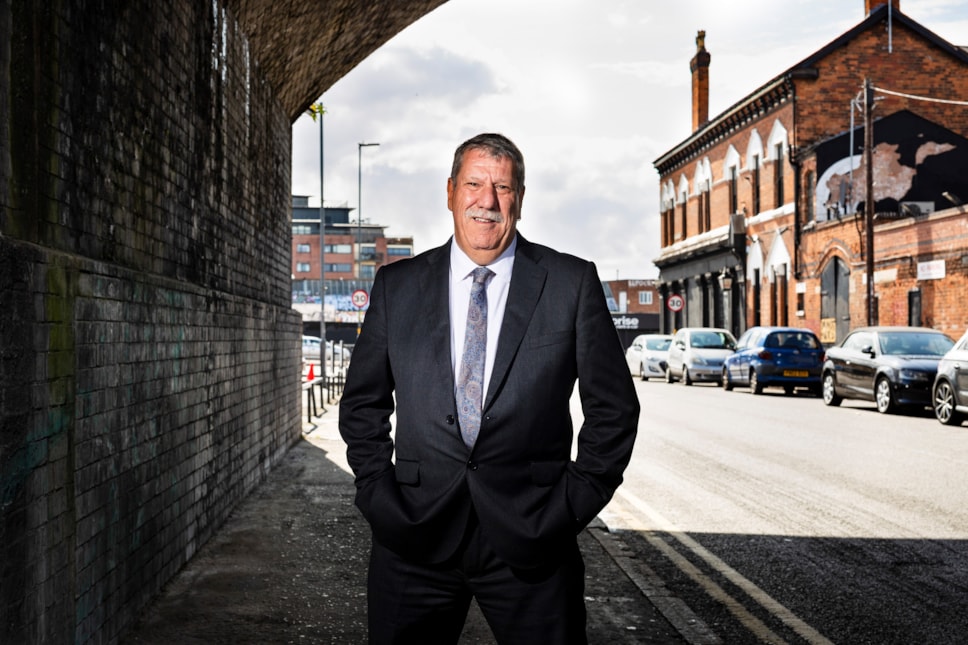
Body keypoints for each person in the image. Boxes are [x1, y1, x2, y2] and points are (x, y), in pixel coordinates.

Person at [338, 133, 640, 644]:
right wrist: (377, 491)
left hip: (534, 540)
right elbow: (363, 403)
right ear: (452, 191)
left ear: (520, 198)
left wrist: (570, 505)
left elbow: (613, 409)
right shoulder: (398, 287)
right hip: (414, 534)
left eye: (502, 187)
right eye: (475, 184)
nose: (488, 201)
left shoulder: (571, 283)